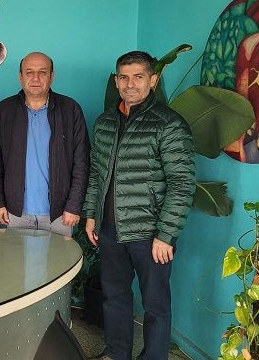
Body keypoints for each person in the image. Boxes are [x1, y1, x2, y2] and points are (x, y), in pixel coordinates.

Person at [82, 51, 195, 360]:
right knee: (114, 298)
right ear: (116, 81)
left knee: (155, 305)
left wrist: (166, 235)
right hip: (110, 230)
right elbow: (96, 174)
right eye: (124, 77)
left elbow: (182, 183)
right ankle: (117, 353)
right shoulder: (105, 122)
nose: (130, 84)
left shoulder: (169, 124)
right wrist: (91, 215)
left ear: (152, 80)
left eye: (138, 77)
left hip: (150, 235)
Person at [0, 52, 89, 236]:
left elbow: (81, 162)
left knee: (59, 256)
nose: (35, 78)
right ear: (20, 76)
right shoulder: (4, 110)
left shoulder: (70, 109)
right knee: (15, 256)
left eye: (42, 72)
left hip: (60, 214)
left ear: (52, 76)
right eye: (29, 72)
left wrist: (74, 206)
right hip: (15, 212)